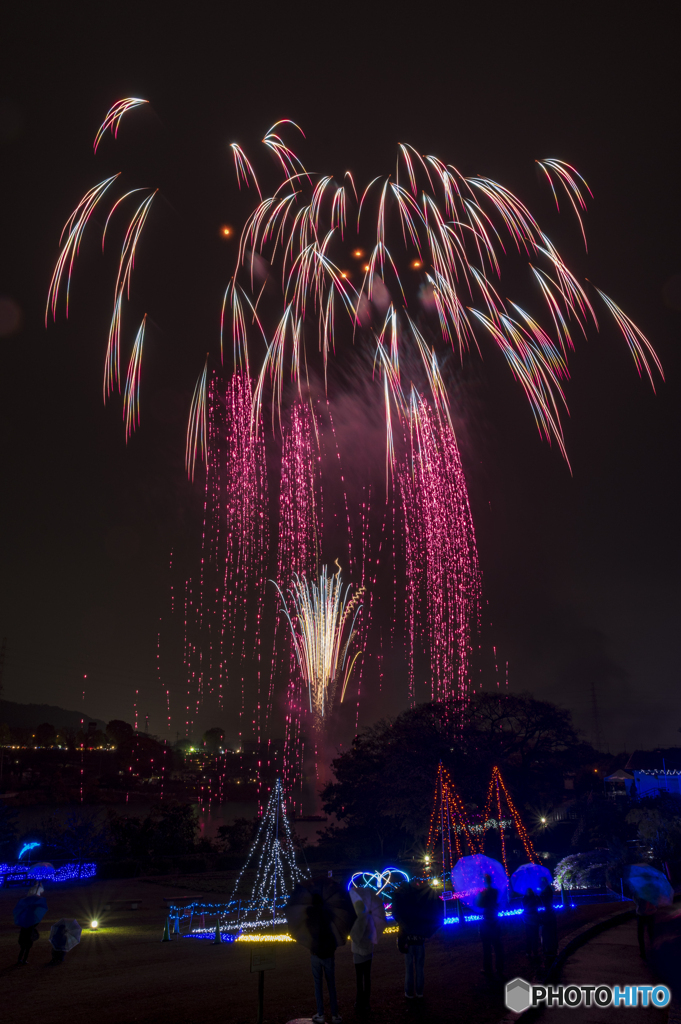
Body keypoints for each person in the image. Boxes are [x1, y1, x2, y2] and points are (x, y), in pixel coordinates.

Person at [307, 892, 342, 1024]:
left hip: (315, 953)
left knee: (318, 984)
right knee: (331, 984)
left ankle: (320, 1013)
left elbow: (308, 934)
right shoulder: (329, 914)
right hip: (328, 953)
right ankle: (334, 1015)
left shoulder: (309, 916)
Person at [350, 899, 376, 1016]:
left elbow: (354, 938)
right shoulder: (369, 919)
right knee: (367, 978)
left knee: (359, 979)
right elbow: (373, 935)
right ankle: (367, 1003)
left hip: (358, 954)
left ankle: (359, 1002)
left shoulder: (355, 921)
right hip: (368, 953)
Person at [477, 873, 504, 978]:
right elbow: (496, 903)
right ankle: (499, 968)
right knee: (497, 945)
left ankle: (488, 969)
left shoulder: (484, 893)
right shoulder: (495, 892)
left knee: (486, 947)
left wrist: (481, 896)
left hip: (487, 921)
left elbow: (479, 905)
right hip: (495, 920)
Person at [397, 926, 425, 1000]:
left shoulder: (407, 914)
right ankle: (419, 992)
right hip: (419, 940)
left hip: (408, 942)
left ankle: (409, 992)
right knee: (420, 967)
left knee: (409, 968)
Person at [539, 882, 558, 959]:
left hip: (547, 916)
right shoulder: (547, 891)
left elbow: (545, 902)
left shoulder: (546, 893)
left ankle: (549, 949)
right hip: (549, 915)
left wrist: (539, 896)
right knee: (550, 933)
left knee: (547, 933)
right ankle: (551, 949)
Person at [635, 894, 656, 960]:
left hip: (641, 915)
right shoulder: (653, 890)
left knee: (640, 934)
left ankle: (643, 952)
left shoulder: (639, 891)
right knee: (651, 933)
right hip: (651, 914)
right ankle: (653, 950)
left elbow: (636, 901)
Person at [522, 888, 540, 958]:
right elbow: (538, 905)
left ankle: (529, 952)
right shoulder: (535, 898)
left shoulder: (525, 898)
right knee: (534, 936)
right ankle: (534, 952)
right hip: (533, 919)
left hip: (528, 919)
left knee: (529, 936)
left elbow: (524, 906)